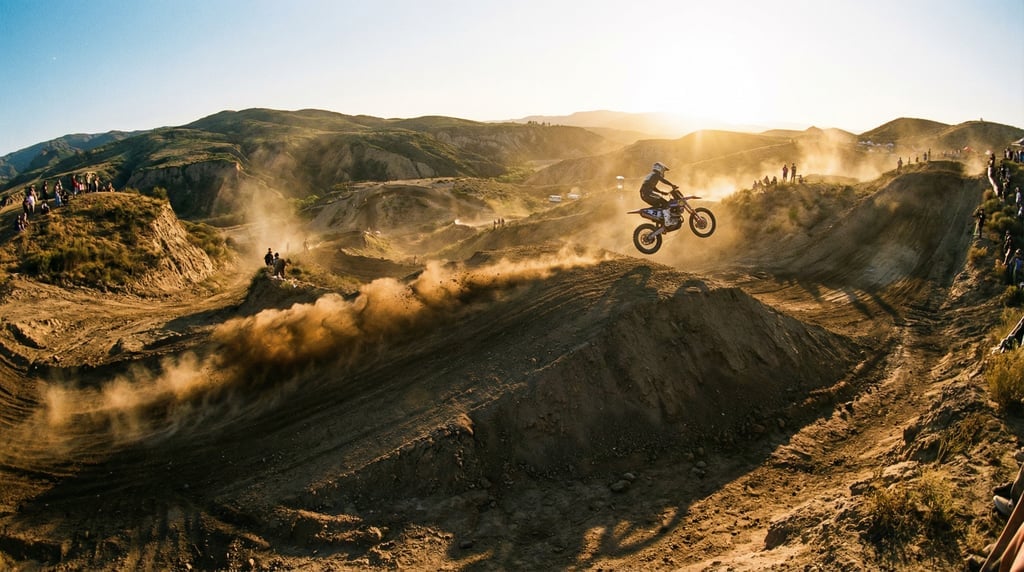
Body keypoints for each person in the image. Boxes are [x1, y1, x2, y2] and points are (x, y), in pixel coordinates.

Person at [638, 162, 678, 226]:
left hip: (645, 194)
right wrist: (672, 185)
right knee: (665, 203)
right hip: (647, 194)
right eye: (663, 170)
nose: (663, 172)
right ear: (659, 168)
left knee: (660, 205)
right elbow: (663, 180)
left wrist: (661, 192)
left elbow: (652, 186)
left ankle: (660, 220)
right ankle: (667, 221)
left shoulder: (652, 175)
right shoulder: (655, 174)